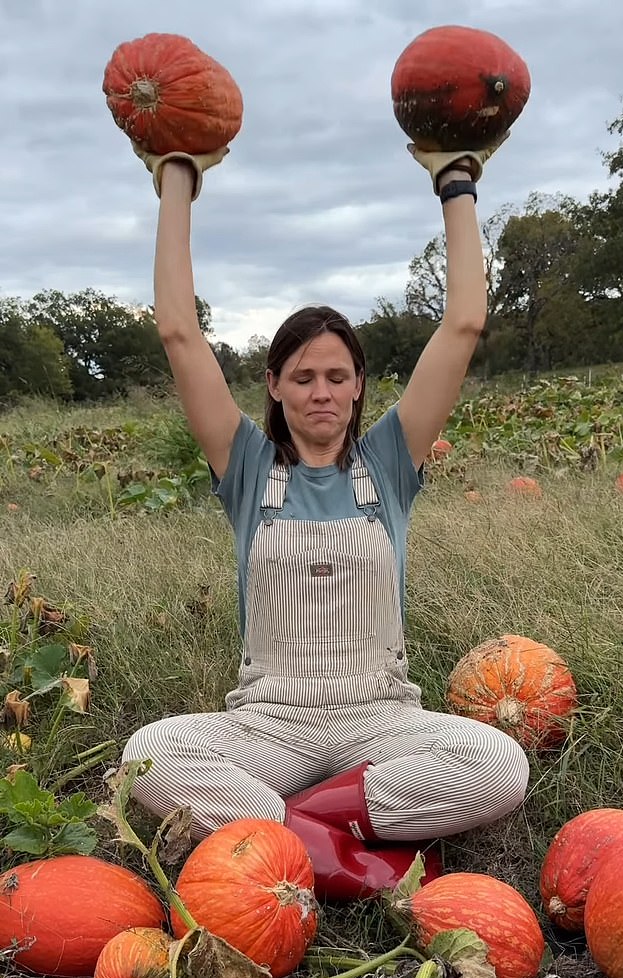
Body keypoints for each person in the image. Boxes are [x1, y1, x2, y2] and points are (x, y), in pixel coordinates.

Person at [121, 126, 530, 900]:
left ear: (359, 388)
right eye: (303, 375)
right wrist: (178, 174)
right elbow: (177, 330)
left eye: (337, 375)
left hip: (379, 720)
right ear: (273, 384)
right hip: (268, 726)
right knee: (148, 752)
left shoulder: (388, 464)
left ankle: (300, 828)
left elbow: (466, 323)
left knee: (501, 765)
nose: (321, 390)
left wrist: (457, 180)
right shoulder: (246, 468)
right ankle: (346, 851)